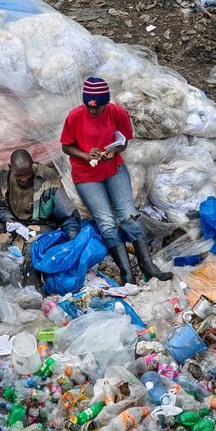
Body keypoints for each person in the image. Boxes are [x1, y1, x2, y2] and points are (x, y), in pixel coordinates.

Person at [60, 77, 170, 284]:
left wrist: (114, 150)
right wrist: (86, 155)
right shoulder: (75, 116)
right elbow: (66, 146)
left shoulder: (117, 113)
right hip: (86, 175)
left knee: (129, 216)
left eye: (98, 107)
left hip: (113, 168)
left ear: (106, 103)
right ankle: (126, 273)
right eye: (89, 106)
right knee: (107, 222)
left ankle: (148, 266)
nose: (93, 110)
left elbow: (123, 141)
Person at [0, 149, 80, 239]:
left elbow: (67, 214)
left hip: (41, 224)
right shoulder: (2, 177)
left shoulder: (48, 177)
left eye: (28, 174)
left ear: (32, 165)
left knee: (34, 245)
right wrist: (8, 219)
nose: (24, 179)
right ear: (11, 168)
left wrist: (73, 237)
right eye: (19, 175)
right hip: (13, 222)